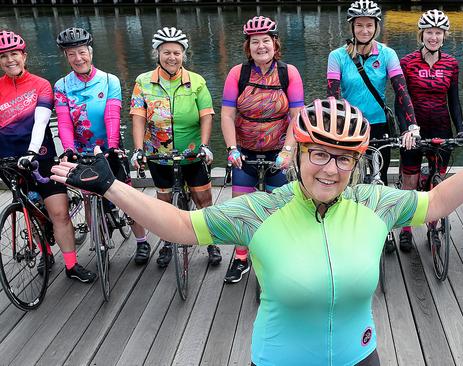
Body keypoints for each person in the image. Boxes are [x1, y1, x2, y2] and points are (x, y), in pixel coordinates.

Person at [51, 96, 463, 365]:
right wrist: (113, 187)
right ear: (299, 154)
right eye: (320, 154)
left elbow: (437, 203)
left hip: (360, 357)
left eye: (344, 158)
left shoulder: (374, 202)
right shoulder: (259, 211)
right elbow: (179, 226)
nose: (331, 169)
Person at [0, 30, 96, 283]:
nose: (10, 60)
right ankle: (45, 252)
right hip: (8, 161)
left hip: (40, 158)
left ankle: (72, 265)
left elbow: (42, 122)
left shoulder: (40, 85)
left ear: (24, 56)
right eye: (4, 56)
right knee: (30, 210)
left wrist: (31, 152)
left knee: (59, 214)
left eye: (14, 54)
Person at [53, 27, 150, 264]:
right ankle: (98, 236)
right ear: (66, 57)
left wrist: (113, 146)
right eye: (71, 54)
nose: (78, 58)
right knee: (88, 197)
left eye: (82, 52)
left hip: (109, 145)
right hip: (80, 149)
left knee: (127, 196)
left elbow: (112, 116)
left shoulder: (109, 80)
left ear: (91, 52)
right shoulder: (61, 86)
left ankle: (142, 241)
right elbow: (64, 122)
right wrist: (68, 149)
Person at [220, 16, 304, 283]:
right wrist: (232, 148)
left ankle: (279, 255)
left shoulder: (288, 73)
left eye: (265, 41)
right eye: (255, 42)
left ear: (274, 44)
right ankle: (242, 257)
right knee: (240, 206)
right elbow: (226, 115)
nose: (261, 46)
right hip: (244, 151)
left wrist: (289, 150)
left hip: (278, 150)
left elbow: (297, 115)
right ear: (248, 46)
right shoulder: (238, 73)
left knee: (281, 207)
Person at [129, 27, 221, 267]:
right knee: (164, 201)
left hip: (191, 153)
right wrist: (138, 149)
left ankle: (211, 242)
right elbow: (138, 117)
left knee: (203, 199)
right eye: (166, 52)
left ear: (184, 55)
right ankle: (168, 242)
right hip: (158, 154)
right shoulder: (143, 82)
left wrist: (205, 145)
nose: (172, 57)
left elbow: (206, 116)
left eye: (177, 53)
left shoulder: (197, 81)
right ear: (157, 54)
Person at [327, 0, 420, 188]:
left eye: (369, 25)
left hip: (379, 125)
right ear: (352, 27)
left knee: (381, 178)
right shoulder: (337, 56)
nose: (364, 30)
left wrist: (412, 125)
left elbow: (401, 91)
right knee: (349, 180)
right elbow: (332, 97)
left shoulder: (387, 54)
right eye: (359, 25)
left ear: (376, 26)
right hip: (350, 125)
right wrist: (331, 127)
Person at [397, 9, 463, 251]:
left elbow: (454, 101)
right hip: (414, 127)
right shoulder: (406, 62)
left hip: (441, 127)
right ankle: (406, 228)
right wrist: (407, 129)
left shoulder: (451, 63)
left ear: (444, 35)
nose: (434, 37)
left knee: (437, 185)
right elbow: (401, 100)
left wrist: (460, 129)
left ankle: (433, 226)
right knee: (410, 180)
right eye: (429, 32)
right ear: (422, 34)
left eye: (438, 33)